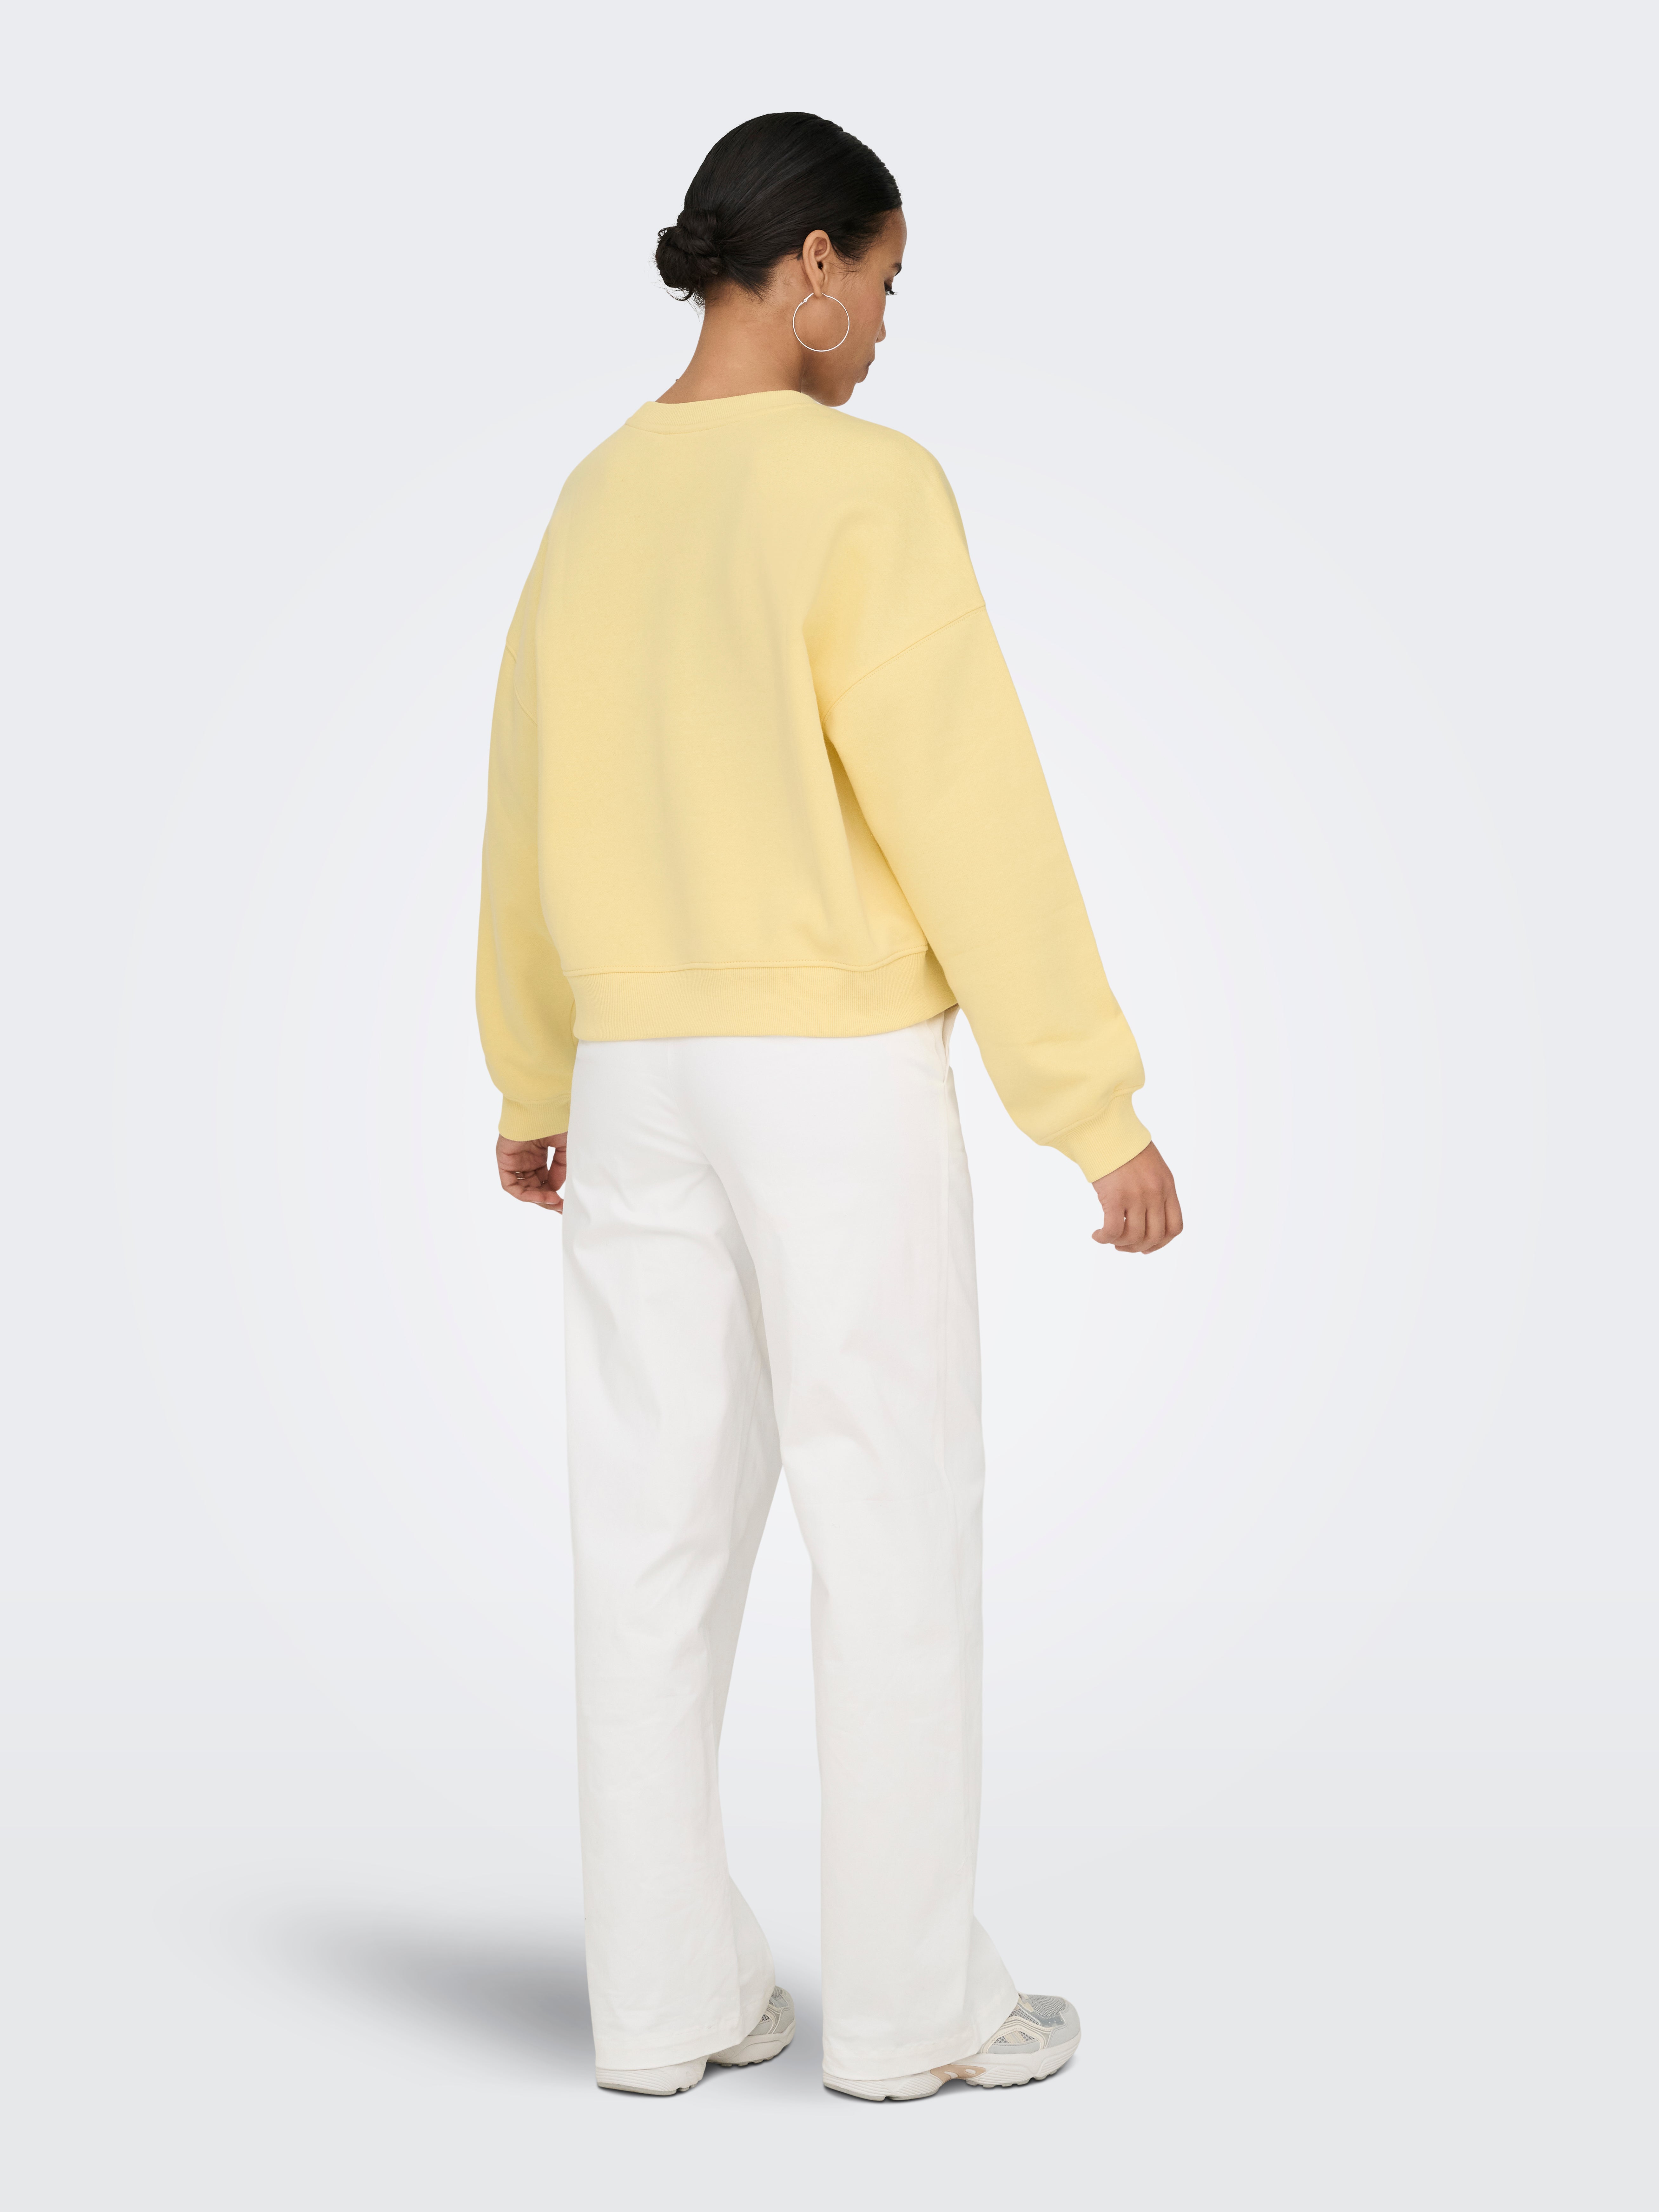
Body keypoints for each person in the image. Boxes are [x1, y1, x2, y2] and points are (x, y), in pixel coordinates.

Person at [477, 111, 1183, 2103]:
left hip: (637, 1079)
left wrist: (536, 1064)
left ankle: (665, 2009)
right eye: (880, 281)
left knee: (648, 1545)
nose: (881, 324)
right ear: (807, 268)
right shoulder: (866, 488)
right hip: (833, 1075)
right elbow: (966, 806)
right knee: (889, 1524)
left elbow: (524, 800)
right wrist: (1089, 1103)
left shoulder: (594, 497)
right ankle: (905, 2015)